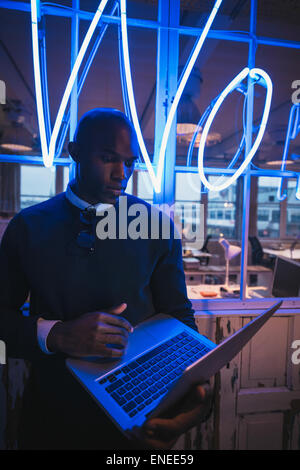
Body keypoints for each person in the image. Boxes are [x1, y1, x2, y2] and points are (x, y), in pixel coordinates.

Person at [0, 108, 212, 450]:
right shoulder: (28, 227)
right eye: (108, 158)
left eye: (130, 162)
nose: (122, 174)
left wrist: (193, 384)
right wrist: (56, 335)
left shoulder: (157, 226)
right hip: (53, 419)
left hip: (143, 416)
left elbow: (178, 315)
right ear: (75, 153)